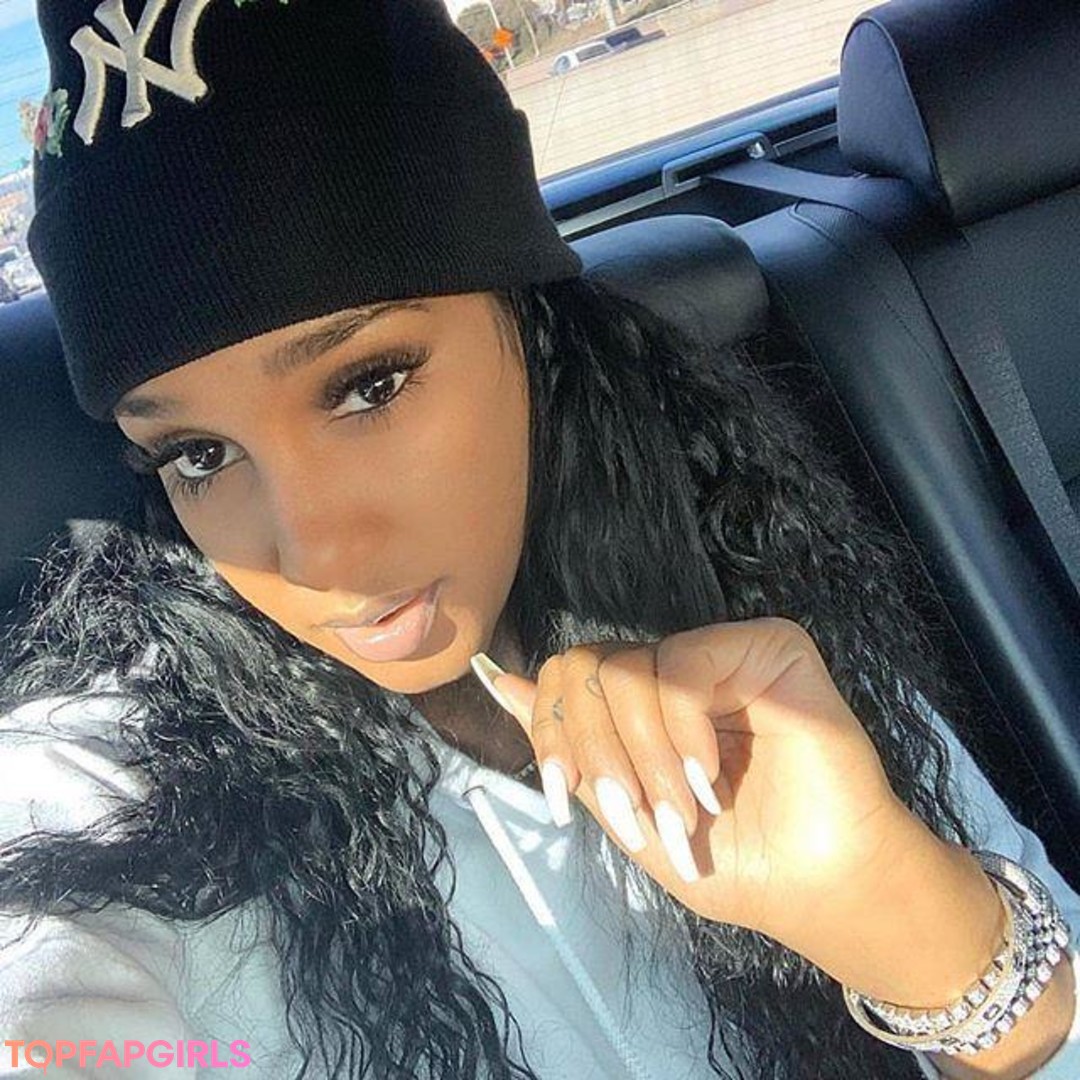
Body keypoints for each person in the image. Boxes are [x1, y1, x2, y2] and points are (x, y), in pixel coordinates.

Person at [0, 1, 1077, 1078]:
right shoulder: (113, 803)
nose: (315, 559)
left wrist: (913, 928)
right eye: (196, 454)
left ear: (531, 326)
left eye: (371, 386)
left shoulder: (731, 576)